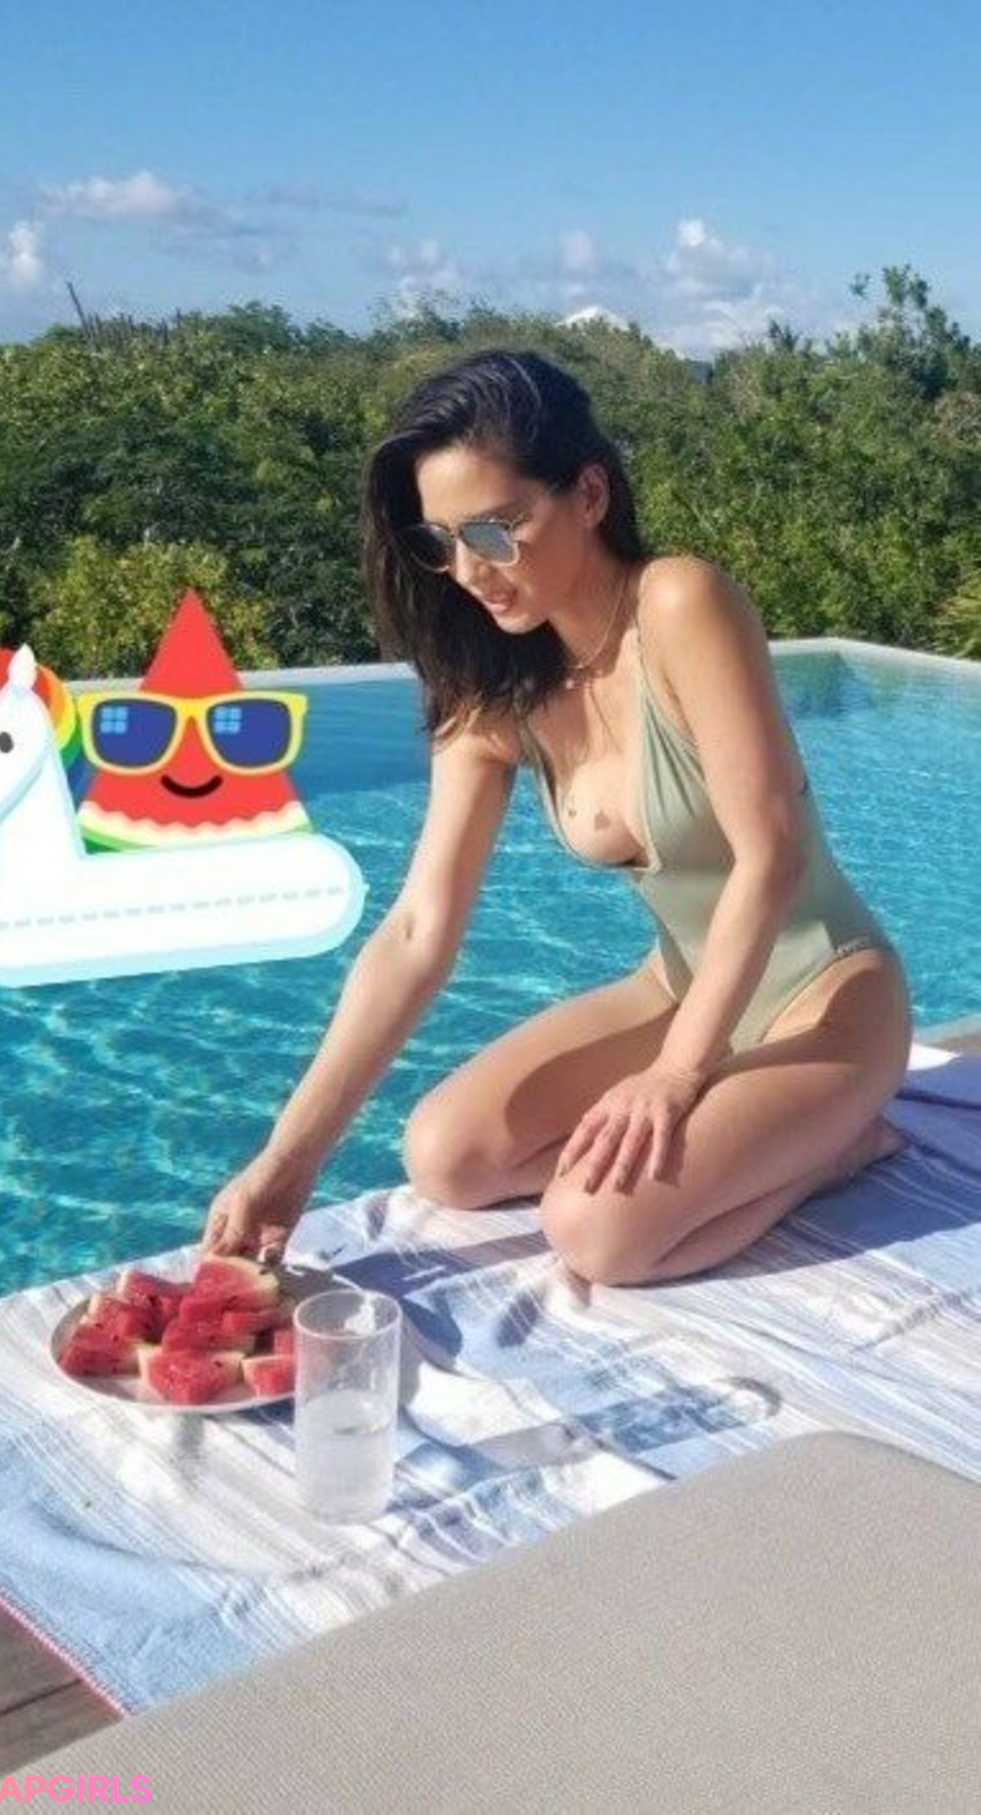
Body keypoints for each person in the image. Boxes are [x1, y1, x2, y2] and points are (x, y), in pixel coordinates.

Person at [203, 349, 910, 1286]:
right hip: (677, 988)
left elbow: (770, 853)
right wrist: (288, 1161)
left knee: (597, 1234)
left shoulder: (680, 603)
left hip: (826, 1003)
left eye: (497, 530)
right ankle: (750, 1139)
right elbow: (417, 932)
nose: (470, 570)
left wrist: (677, 1075)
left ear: (588, 494)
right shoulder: (493, 696)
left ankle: (835, 1147)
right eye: (443, 540)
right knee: (447, 1155)